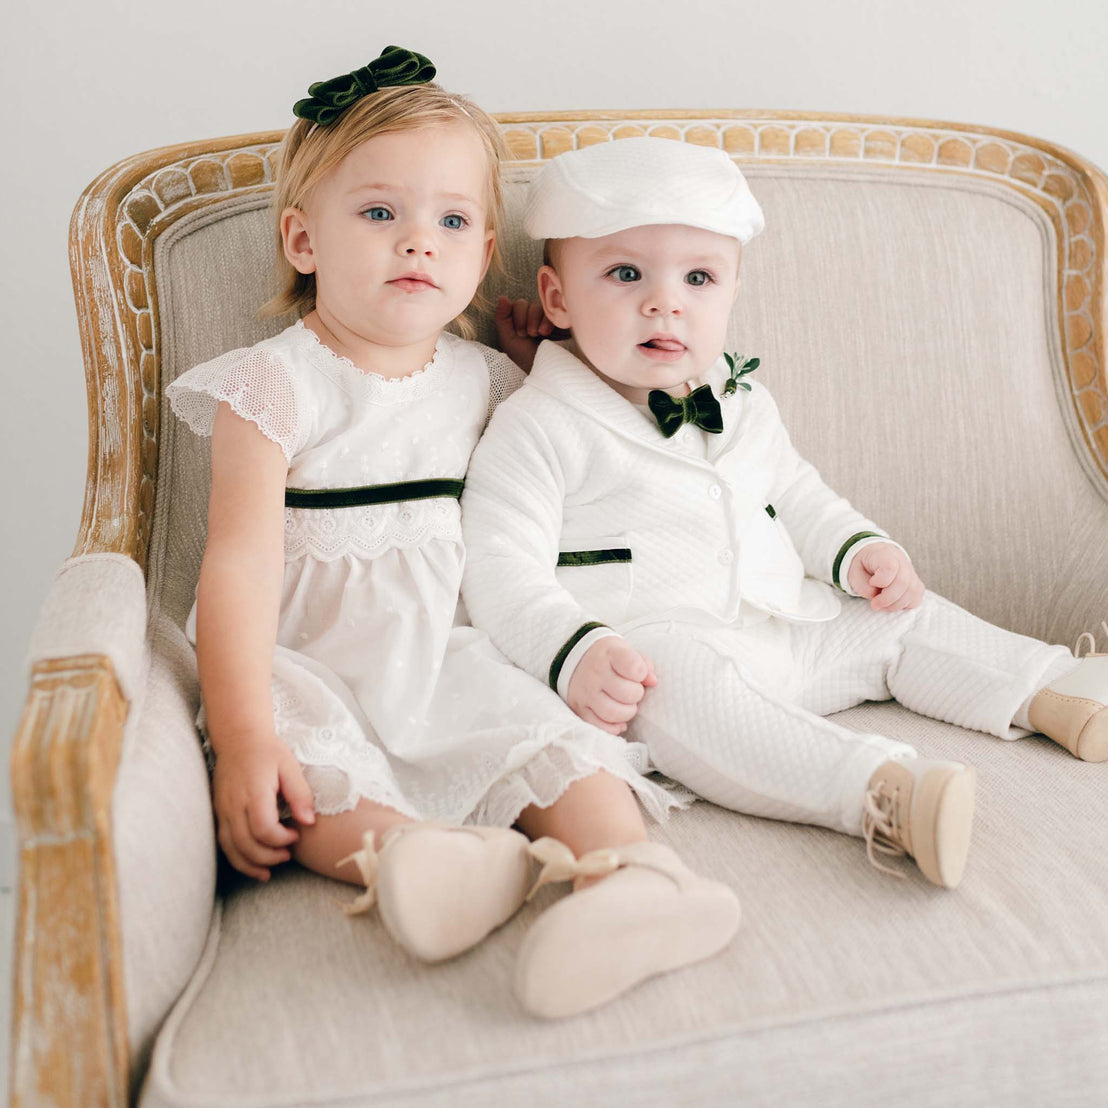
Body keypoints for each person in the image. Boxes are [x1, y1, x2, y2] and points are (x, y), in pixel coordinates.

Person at [167, 49, 740, 1020]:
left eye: (453, 221)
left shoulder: (489, 381)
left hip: (448, 649)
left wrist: (544, 357)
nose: (418, 243)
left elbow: (590, 452)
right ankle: (420, 862)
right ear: (304, 239)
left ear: (481, 258)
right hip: (313, 660)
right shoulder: (272, 386)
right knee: (306, 774)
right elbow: (237, 564)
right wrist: (244, 729)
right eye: (381, 213)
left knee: (545, 737)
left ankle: (639, 878)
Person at [461, 136, 1106, 895]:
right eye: (625, 273)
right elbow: (499, 563)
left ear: (731, 294)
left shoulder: (743, 402)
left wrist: (855, 548)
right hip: (658, 653)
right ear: (558, 297)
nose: (664, 301)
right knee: (676, 697)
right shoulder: (538, 425)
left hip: (786, 628)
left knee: (900, 616)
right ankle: (885, 791)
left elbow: (798, 493)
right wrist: (574, 652)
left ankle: (1053, 688)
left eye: (699, 277)